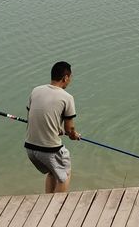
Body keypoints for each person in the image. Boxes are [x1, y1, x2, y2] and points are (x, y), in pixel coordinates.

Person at [25, 61, 80, 193]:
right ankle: (56, 209)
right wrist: (74, 135)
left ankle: (47, 204)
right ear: (65, 77)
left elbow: (32, 118)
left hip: (30, 149)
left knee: (53, 172)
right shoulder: (67, 98)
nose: (70, 81)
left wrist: (55, 129)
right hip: (49, 150)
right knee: (64, 174)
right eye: (70, 77)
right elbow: (69, 130)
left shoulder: (35, 91)